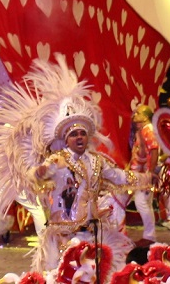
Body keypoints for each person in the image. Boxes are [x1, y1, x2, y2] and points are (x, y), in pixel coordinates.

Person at [32, 110, 135, 273]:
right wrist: (40, 172)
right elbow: (42, 173)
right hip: (64, 234)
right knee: (62, 274)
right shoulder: (58, 159)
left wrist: (146, 178)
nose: (79, 137)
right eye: (74, 134)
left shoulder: (97, 161)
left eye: (82, 134)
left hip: (91, 230)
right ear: (67, 140)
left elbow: (119, 176)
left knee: (93, 274)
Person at [128, 105, 158, 245]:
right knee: (145, 203)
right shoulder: (143, 130)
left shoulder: (148, 130)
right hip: (140, 173)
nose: (135, 115)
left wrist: (150, 172)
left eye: (138, 113)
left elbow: (154, 151)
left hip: (144, 174)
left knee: (141, 203)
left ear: (146, 117)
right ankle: (150, 236)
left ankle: (149, 236)